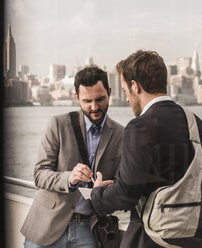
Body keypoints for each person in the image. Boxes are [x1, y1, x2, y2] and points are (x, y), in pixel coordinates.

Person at [90, 50, 202, 248]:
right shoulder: (197, 125)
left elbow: (126, 194)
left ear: (135, 86)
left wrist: (97, 195)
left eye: (125, 90)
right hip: (192, 239)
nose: (127, 99)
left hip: (149, 239)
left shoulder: (139, 127)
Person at [21, 65, 124, 247]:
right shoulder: (57, 124)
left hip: (90, 228)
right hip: (47, 225)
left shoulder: (121, 134)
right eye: (87, 101)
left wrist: (107, 189)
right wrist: (70, 178)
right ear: (77, 97)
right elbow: (39, 174)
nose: (94, 107)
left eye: (100, 99)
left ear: (109, 92)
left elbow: (120, 185)